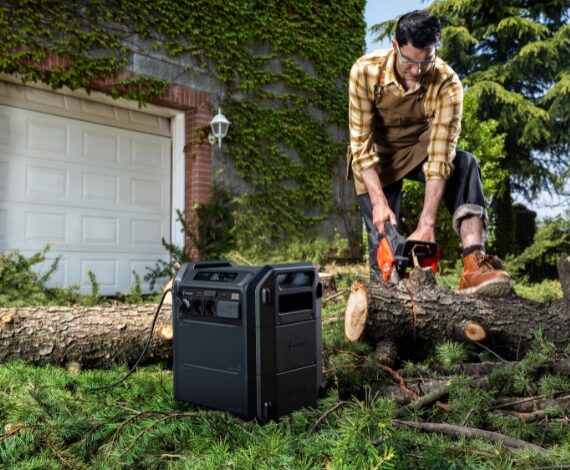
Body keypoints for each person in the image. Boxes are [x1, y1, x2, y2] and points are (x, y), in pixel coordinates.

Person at [347, 9, 511, 296]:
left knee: (465, 163)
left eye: (427, 60)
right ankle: (388, 306)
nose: (418, 70)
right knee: (386, 257)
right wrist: (379, 202)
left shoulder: (448, 84)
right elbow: (361, 145)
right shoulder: (364, 71)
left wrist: (427, 223)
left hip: (419, 149)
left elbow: (439, 157)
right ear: (395, 45)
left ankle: (474, 262)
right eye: (410, 61)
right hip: (376, 159)